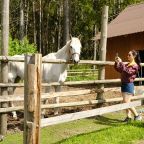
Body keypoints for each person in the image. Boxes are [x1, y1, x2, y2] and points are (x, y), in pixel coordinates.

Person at [114, 50, 142, 122]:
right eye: (128, 54)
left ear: (134, 56)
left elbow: (128, 72)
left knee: (127, 102)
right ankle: (128, 117)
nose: (128, 56)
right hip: (124, 84)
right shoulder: (127, 64)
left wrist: (121, 62)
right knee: (125, 101)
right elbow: (119, 69)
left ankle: (137, 115)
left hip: (129, 85)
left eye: (129, 55)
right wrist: (117, 62)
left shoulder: (135, 66)